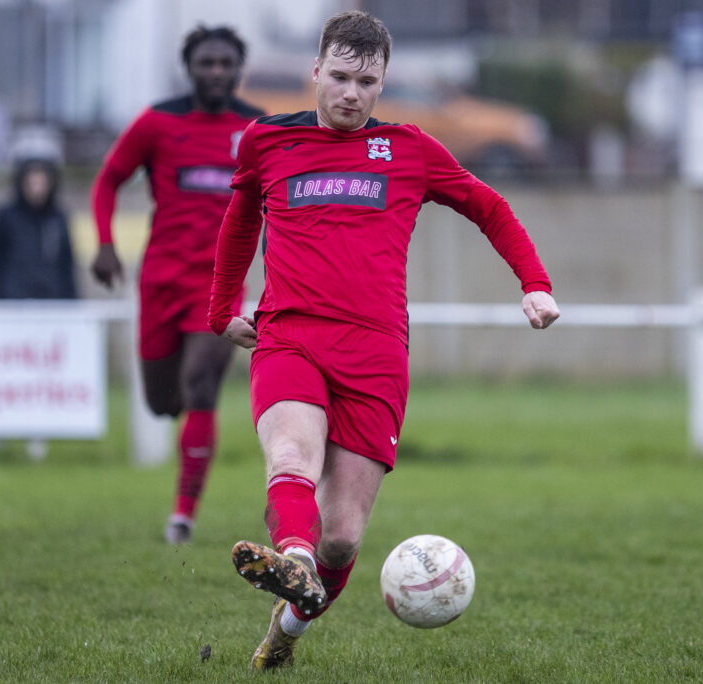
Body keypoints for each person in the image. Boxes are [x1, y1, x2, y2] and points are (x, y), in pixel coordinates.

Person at [209, 10, 560, 670]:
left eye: (366, 81)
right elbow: (237, 223)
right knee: (291, 456)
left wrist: (533, 283)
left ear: (382, 83)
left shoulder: (409, 150)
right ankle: (293, 558)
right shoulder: (266, 142)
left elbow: (489, 206)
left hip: (374, 356)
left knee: (343, 535)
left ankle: (288, 626)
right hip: (290, 336)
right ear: (315, 72)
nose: (351, 93)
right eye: (339, 77)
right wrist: (221, 308)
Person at [90, 26, 263, 544]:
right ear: (189, 67)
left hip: (221, 284)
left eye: (225, 64)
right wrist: (103, 242)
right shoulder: (158, 122)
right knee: (163, 403)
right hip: (161, 280)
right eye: (205, 63)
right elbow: (106, 180)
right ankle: (181, 432)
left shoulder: (254, 129)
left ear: (238, 70)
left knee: (201, 387)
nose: (215, 72)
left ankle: (182, 516)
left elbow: (284, 197)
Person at [0, 156, 78, 301]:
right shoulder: (4, 217)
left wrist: (72, 301)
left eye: (42, 183)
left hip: (51, 302)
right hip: (11, 302)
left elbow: (66, 265)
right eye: (32, 183)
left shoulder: (58, 218)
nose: (37, 189)